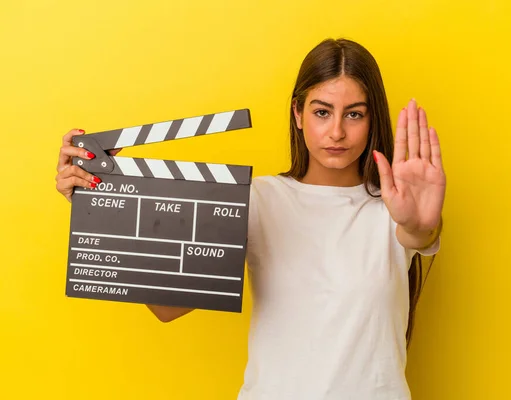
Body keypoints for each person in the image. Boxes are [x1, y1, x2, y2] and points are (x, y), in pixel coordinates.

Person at [55, 38, 446, 400]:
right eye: (322, 112)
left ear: (371, 117)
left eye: (355, 114)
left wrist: (419, 222)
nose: (337, 132)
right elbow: (168, 308)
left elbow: (418, 231)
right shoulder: (259, 199)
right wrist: (106, 207)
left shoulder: (394, 210)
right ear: (298, 113)